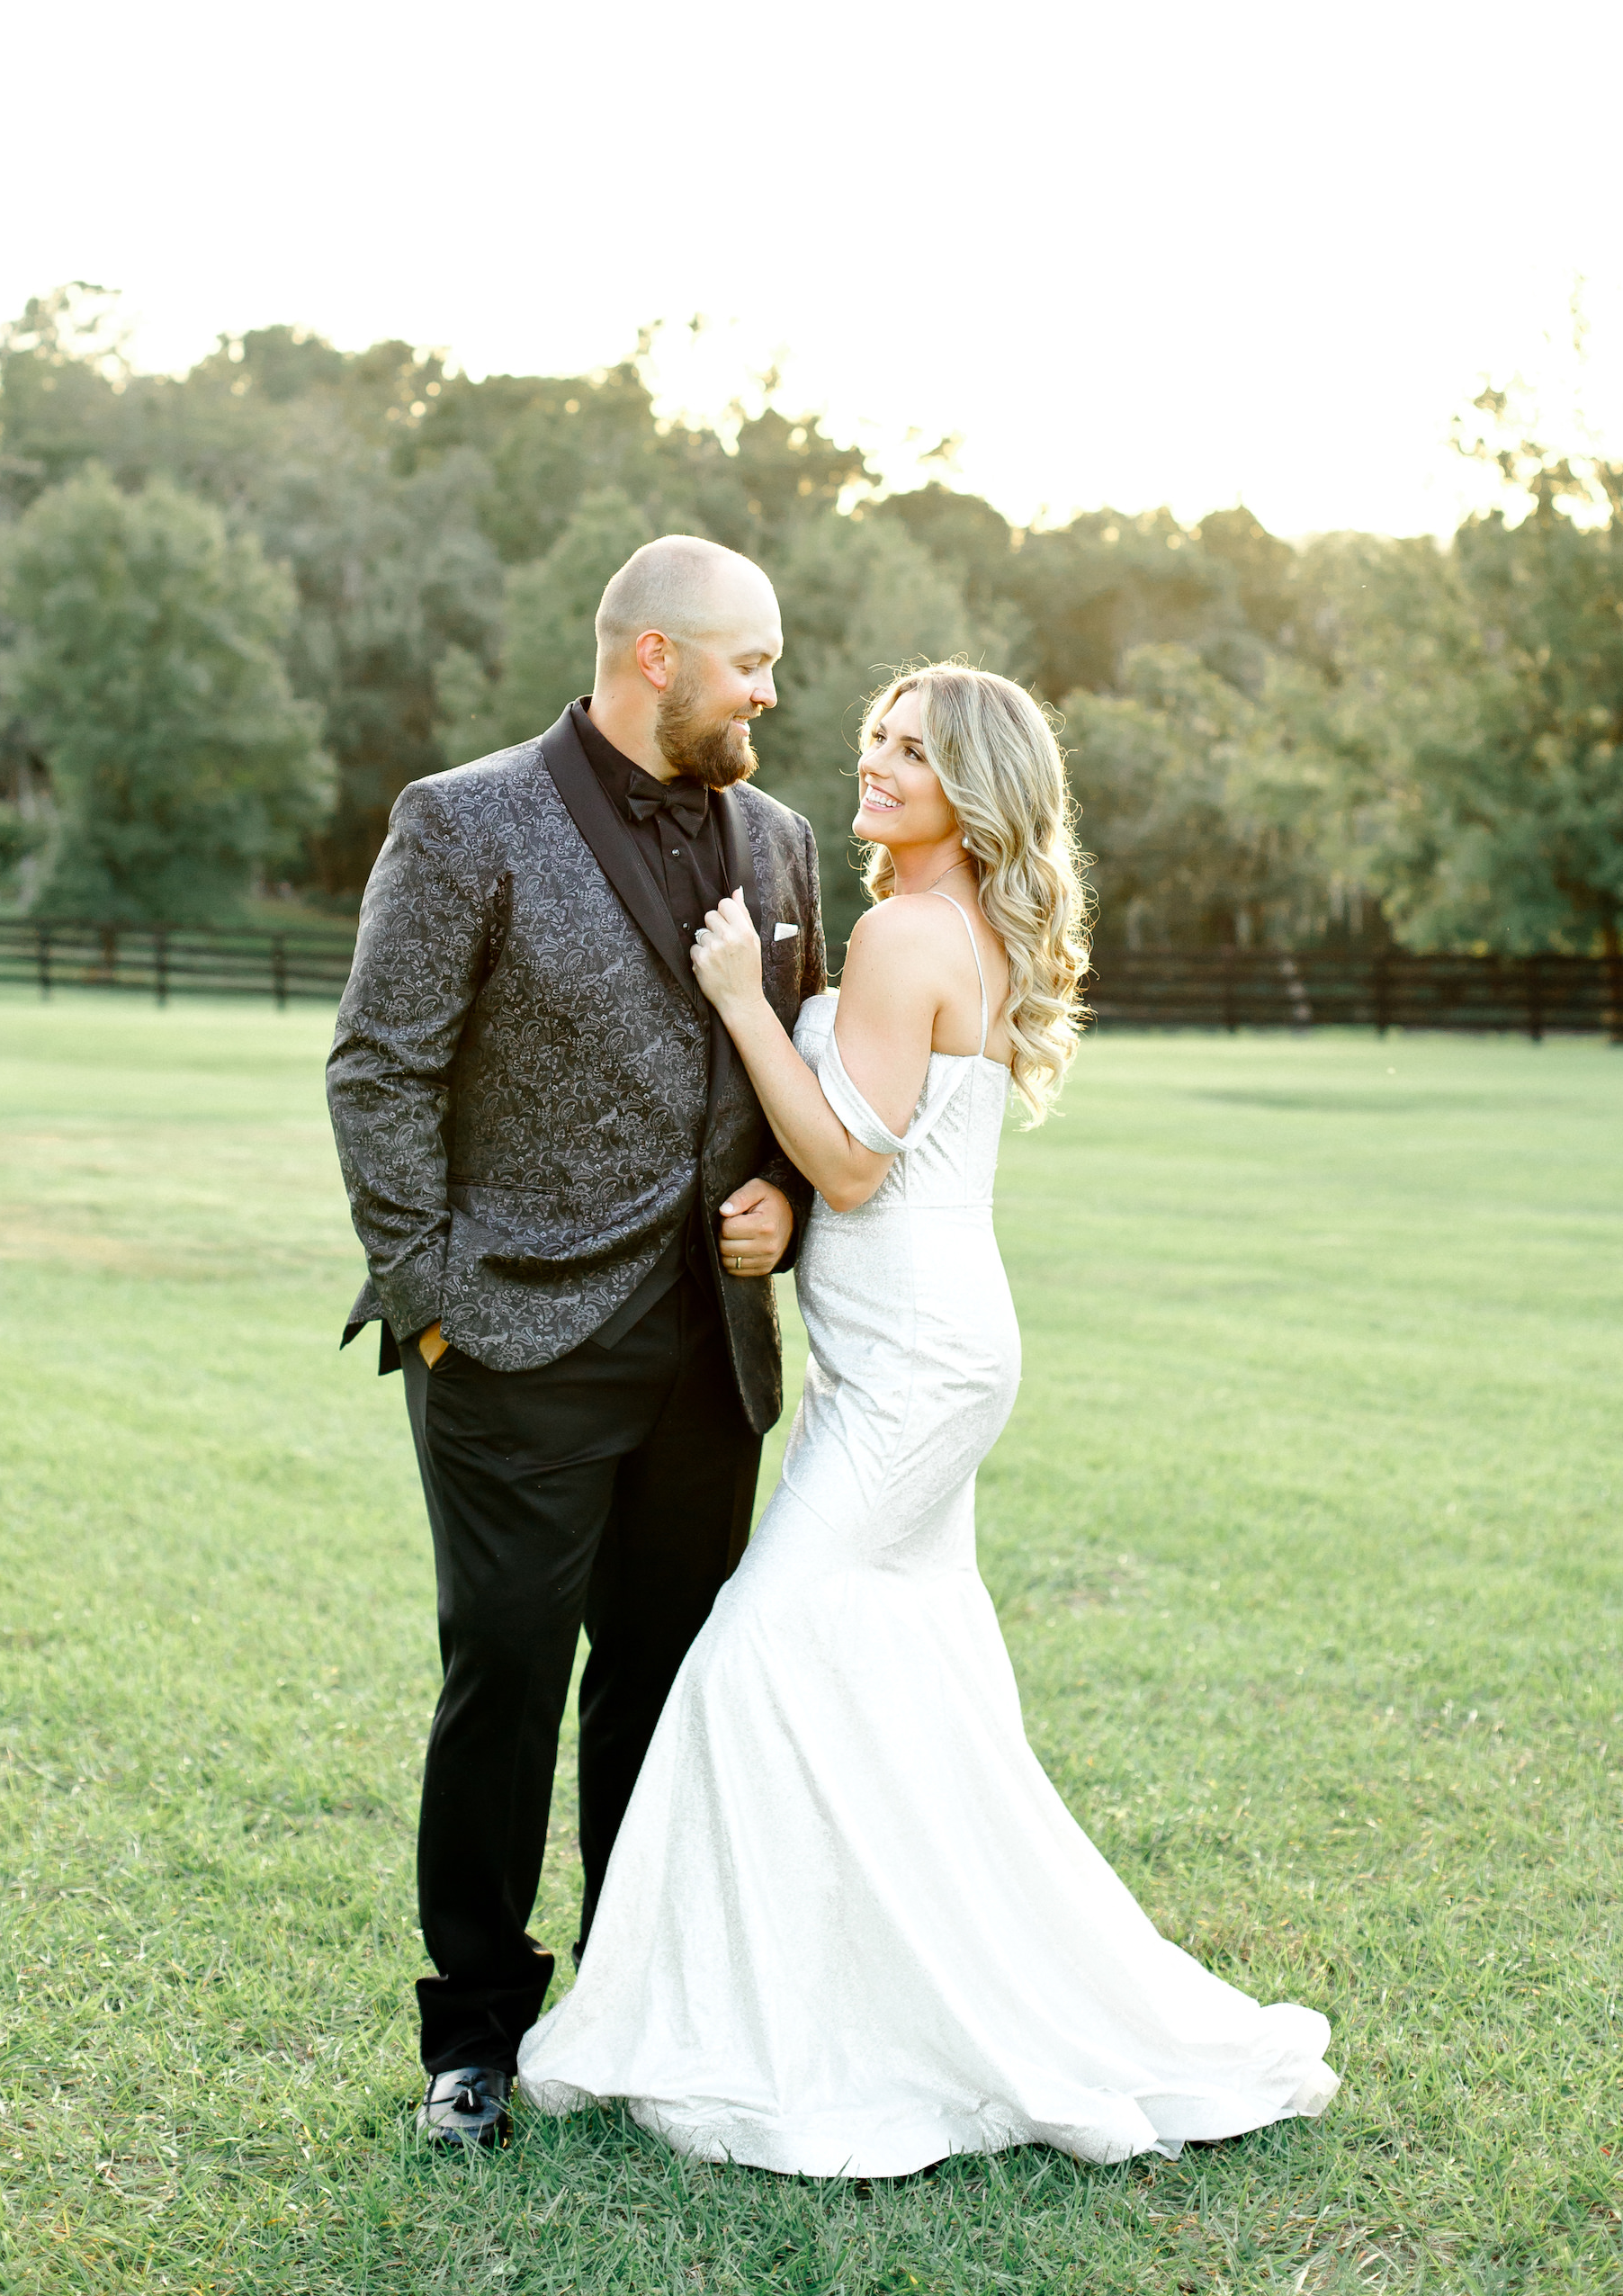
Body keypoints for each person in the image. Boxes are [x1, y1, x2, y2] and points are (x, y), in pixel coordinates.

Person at [517, 661, 1338, 2175]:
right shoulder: (936, 924)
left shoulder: (904, 929)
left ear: (977, 791)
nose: (878, 763)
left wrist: (740, 1004)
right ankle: (893, 1990)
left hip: (916, 1369)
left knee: (754, 1655)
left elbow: (850, 1164)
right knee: (908, 1685)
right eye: (878, 738)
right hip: (912, 1350)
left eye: (915, 751)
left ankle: (792, 2019)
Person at [326, 536, 827, 2150]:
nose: (772, 687)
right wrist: (431, 1302)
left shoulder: (785, 839)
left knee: (665, 1685)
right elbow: (378, 1068)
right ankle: (474, 2036)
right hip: (510, 1340)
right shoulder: (460, 819)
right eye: (750, 659)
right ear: (657, 656)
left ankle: (632, 1999)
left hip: (712, 1353)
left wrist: (780, 1208)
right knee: (509, 1675)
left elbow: (787, 1079)